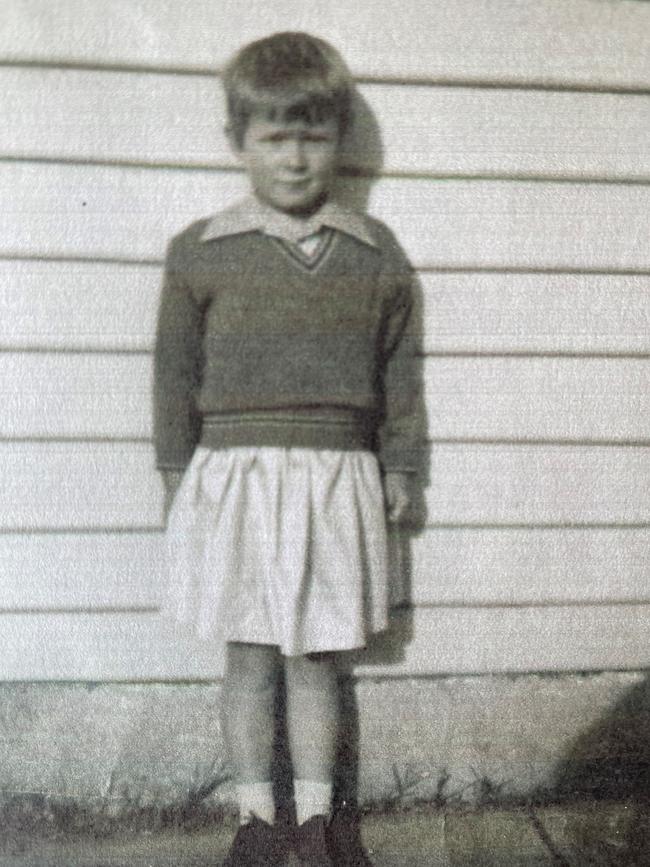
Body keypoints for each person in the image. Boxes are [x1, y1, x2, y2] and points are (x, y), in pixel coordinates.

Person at [153, 31, 419, 866]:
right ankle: (254, 821)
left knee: (316, 657)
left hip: (336, 473)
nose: (297, 158)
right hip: (235, 474)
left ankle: (316, 818)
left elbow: (399, 370)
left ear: (338, 139)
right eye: (275, 137)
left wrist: (403, 463)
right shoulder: (203, 249)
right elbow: (173, 374)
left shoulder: (375, 253)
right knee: (249, 654)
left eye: (314, 136)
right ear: (238, 143)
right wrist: (175, 473)